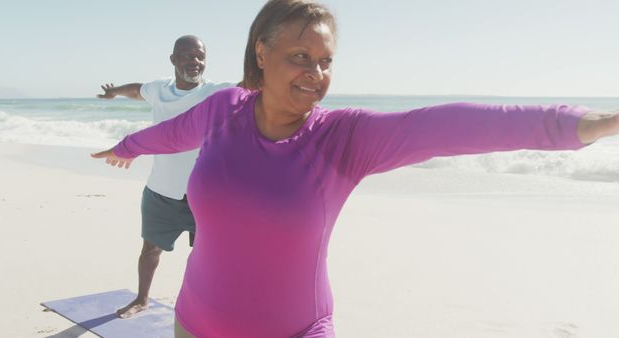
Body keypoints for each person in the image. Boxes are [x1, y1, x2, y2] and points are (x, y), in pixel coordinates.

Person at [92, 0, 619, 336]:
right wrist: (129, 145)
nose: (316, 73)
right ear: (261, 50)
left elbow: (453, 125)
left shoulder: (344, 138)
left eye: (325, 60)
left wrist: (588, 124)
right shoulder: (222, 109)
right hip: (195, 322)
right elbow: (172, 133)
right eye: (301, 56)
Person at [96, 35, 233, 319]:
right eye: (186, 55)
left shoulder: (217, 92)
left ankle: (212, 308)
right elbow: (137, 90)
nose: (194, 62)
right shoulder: (159, 88)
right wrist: (115, 92)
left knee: (213, 257)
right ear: (173, 59)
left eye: (200, 57)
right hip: (162, 191)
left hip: (206, 194)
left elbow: (252, 88)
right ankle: (142, 299)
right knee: (150, 249)